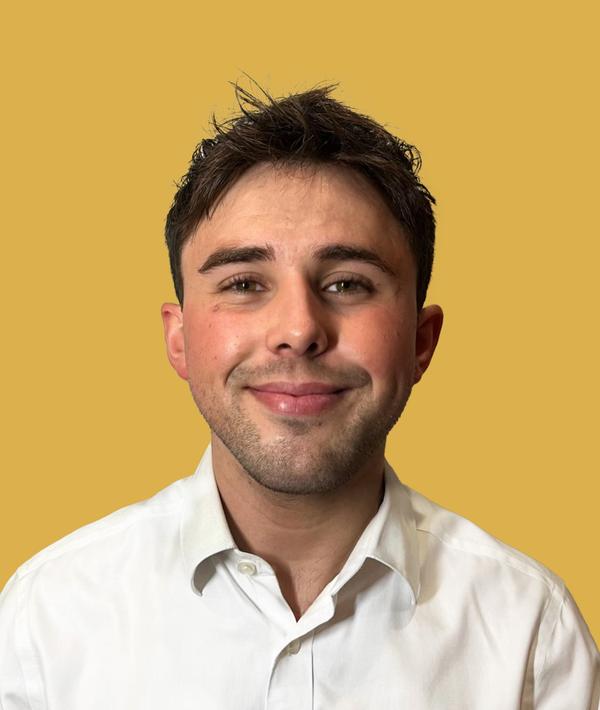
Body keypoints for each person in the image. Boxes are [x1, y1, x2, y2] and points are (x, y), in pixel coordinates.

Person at [0, 83, 598, 709]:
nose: (299, 330)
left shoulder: (533, 635)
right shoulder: (47, 620)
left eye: (346, 283)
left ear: (421, 341)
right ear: (179, 341)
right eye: (244, 282)